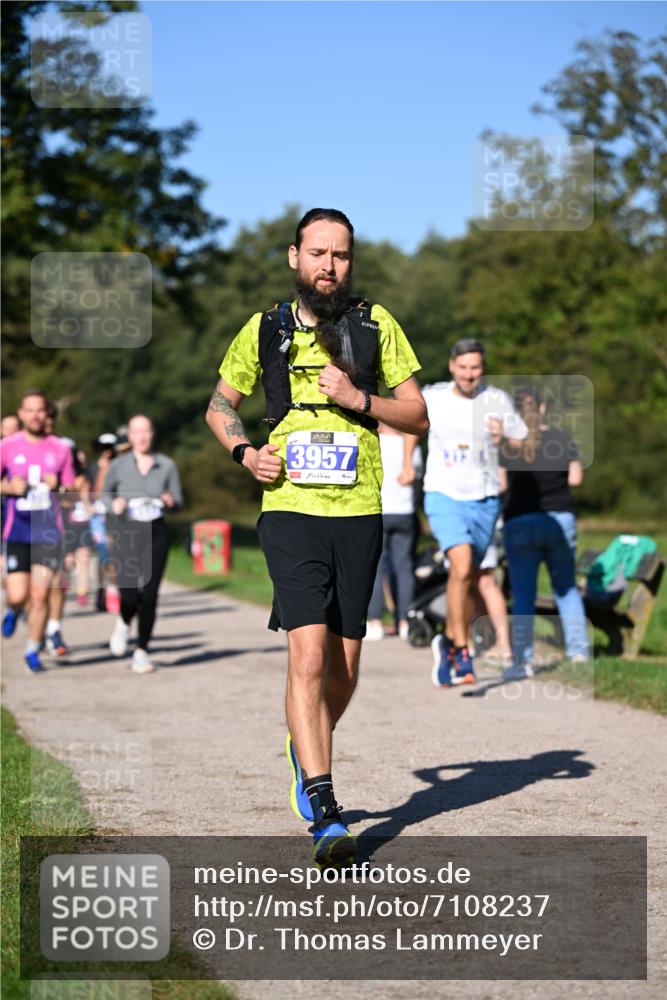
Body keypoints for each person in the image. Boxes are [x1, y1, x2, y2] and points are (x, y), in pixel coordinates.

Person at [206, 208, 428, 866]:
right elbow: (220, 404)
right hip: (290, 510)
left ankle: (303, 743)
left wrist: (358, 399)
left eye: (341, 255)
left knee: (344, 667)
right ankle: (325, 804)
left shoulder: (374, 324)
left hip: (359, 509)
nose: (329, 265)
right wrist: (246, 453)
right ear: (293, 257)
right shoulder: (266, 326)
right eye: (317, 253)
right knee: (306, 657)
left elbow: (416, 413)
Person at [423, 338, 528, 688]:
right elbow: (409, 424)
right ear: (452, 366)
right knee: (464, 566)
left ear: (483, 369)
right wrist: (407, 463)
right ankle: (461, 646)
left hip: (484, 500)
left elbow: (522, 445)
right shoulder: (433, 396)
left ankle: (449, 643)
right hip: (443, 494)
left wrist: (505, 440)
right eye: (463, 367)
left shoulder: (496, 400)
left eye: (476, 368)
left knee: (468, 578)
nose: (469, 374)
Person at [499, 389, 590, 678]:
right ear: (541, 406)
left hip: (519, 522)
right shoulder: (562, 438)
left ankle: (522, 661)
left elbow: (501, 487)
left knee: (524, 594)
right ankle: (579, 653)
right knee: (565, 588)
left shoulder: (508, 445)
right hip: (559, 519)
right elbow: (576, 478)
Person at [0, 390, 75, 671]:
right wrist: (8, 488)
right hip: (17, 531)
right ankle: (13, 609)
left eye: (40, 410)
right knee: (19, 594)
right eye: (29, 410)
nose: (35, 415)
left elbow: (71, 495)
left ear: (47, 414)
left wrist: (59, 488)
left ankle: (32, 649)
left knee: (41, 594)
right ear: (21, 414)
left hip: (48, 533)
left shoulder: (61, 449)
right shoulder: (7, 446)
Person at [102, 414, 183, 674]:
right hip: (128, 531)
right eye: (136, 431)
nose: (142, 436)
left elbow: (179, 502)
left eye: (146, 431)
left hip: (156, 531)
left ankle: (142, 651)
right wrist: (113, 504)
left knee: (149, 595)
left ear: (153, 433)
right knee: (128, 595)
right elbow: (104, 495)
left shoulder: (167, 465)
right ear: (130, 436)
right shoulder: (119, 465)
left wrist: (171, 501)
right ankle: (124, 623)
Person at [366, 424, 422, 641]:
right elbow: (415, 476)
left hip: (378, 510)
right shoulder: (410, 446)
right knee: (404, 567)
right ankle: (404, 622)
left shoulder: (373, 441)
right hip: (404, 512)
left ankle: (375, 622)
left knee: (375, 568)